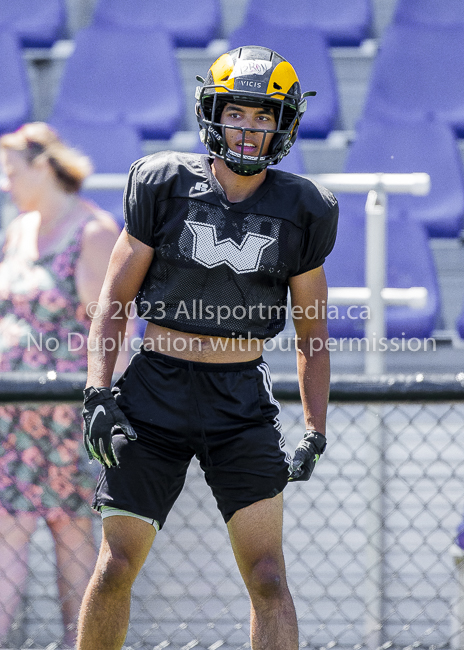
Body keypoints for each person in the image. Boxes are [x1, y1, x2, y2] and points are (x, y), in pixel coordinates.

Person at [78, 45, 339, 650]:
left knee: (268, 575)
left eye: (264, 117)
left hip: (239, 399)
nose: (249, 130)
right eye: (238, 114)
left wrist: (316, 428)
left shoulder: (305, 208)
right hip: (154, 390)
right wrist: (97, 391)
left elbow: (313, 335)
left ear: (285, 124)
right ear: (213, 115)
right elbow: (113, 303)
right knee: (116, 565)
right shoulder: (164, 184)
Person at [0, 122, 122, 648]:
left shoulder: (91, 232)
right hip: (12, 416)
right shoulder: (18, 228)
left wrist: (105, 405)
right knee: (8, 530)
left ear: (43, 166)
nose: (6, 183)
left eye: (12, 170)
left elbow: (115, 324)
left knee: (71, 534)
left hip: (66, 415)